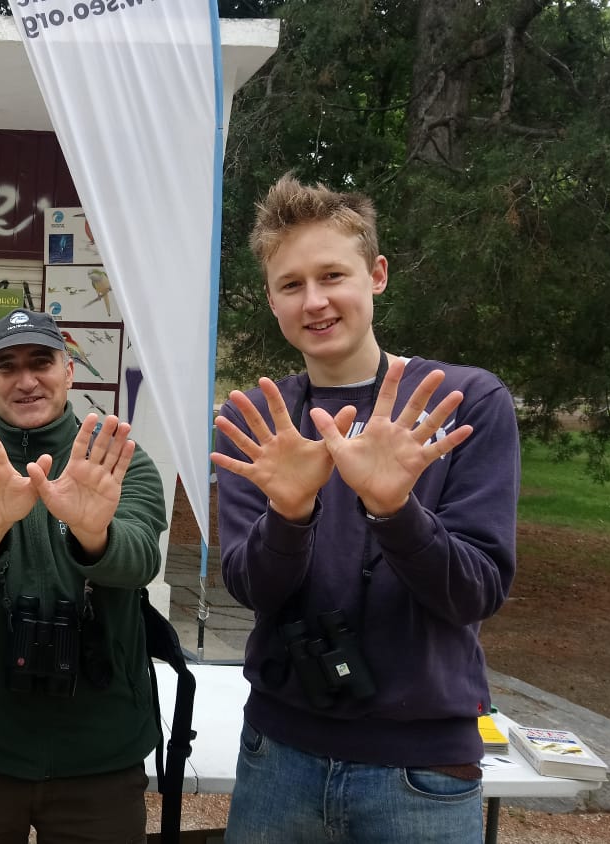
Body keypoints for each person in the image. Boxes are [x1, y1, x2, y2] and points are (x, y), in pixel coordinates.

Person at [211, 175, 519, 843]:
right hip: (279, 756)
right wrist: (289, 516)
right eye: (291, 284)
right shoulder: (258, 422)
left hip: (421, 772)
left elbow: (477, 591)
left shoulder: (461, 402)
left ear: (376, 275)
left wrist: (395, 510)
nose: (314, 301)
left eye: (332, 275)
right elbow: (250, 587)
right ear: (271, 299)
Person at [0, 308, 169, 844]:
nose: (27, 380)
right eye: (6, 366)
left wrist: (92, 532)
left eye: (42, 361)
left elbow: (140, 560)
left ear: (69, 371)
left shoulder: (115, 455)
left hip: (101, 748)